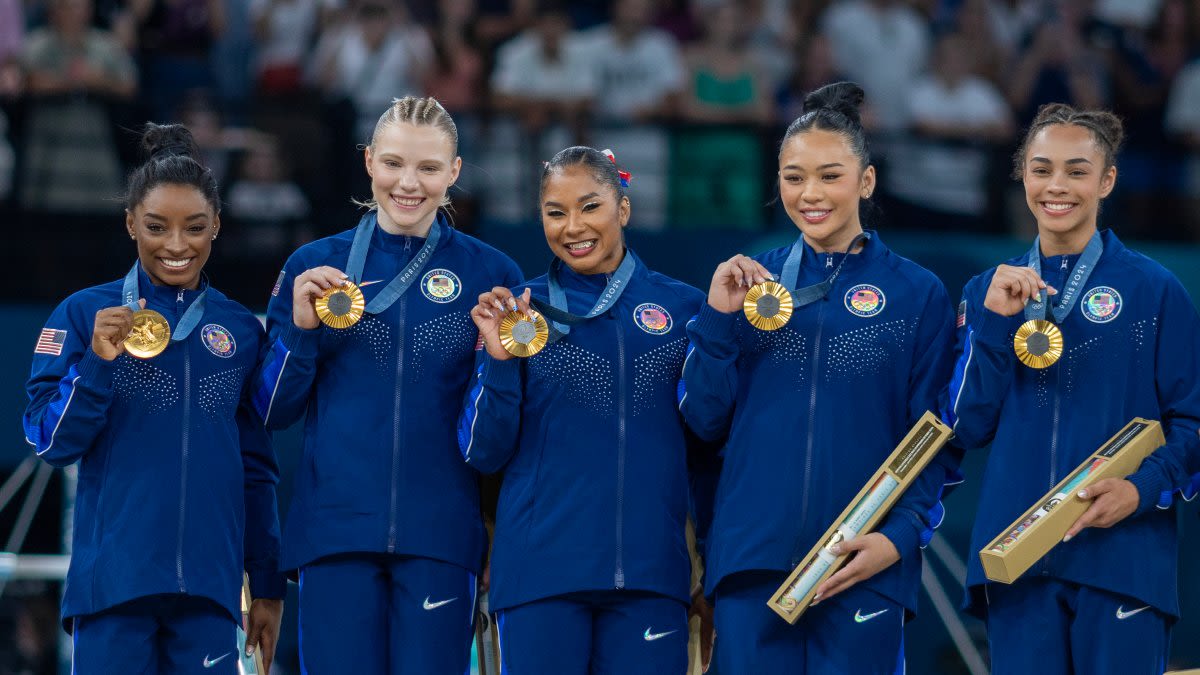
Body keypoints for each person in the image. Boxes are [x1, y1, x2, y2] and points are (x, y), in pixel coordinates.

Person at [679, 82, 960, 674]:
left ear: (867, 181)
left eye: (830, 176)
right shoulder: (747, 283)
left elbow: (935, 438)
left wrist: (899, 537)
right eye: (793, 176)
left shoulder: (917, 293)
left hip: (864, 562)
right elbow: (703, 420)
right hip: (752, 562)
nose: (810, 194)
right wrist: (717, 321)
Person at [253, 96, 522, 674]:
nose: (409, 184)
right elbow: (273, 410)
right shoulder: (314, 265)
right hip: (335, 532)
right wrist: (301, 332)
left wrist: (499, 363)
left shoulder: (492, 274)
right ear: (369, 161)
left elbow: (498, 437)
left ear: (453, 172)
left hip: (441, 535)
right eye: (395, 163)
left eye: (428, 168)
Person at [22, 123, 286, 674]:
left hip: (211, 593)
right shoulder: (82, 314)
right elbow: (51, 442)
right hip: (114, 587)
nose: (175, 245)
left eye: (194, 227)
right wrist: (97, 363)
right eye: (156, 226)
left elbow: (256, 468)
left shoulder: (239, 329)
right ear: (129, 224)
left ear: (216, 224)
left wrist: (266, 582)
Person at [946, 103, 1200, 675]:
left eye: (1077, 170)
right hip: (1016, 561)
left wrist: (1140, 489)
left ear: (1106, 180)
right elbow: (965, 425)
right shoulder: (988, 290)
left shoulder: (1154, 290)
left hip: (1123, 559)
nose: (1056, 185)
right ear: (1023, 175)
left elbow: (1193, 423)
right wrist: (992, 327)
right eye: (1041, 169)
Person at [458, 146, 708, 673]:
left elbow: (708, 443)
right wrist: (499, 363)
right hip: (539, 578)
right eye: (555, 212)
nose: (573, 227)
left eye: (590, 206)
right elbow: (483, 451)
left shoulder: (685, 309)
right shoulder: (517, 313)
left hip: (650, 576)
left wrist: (710, 560)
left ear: (623, 208)